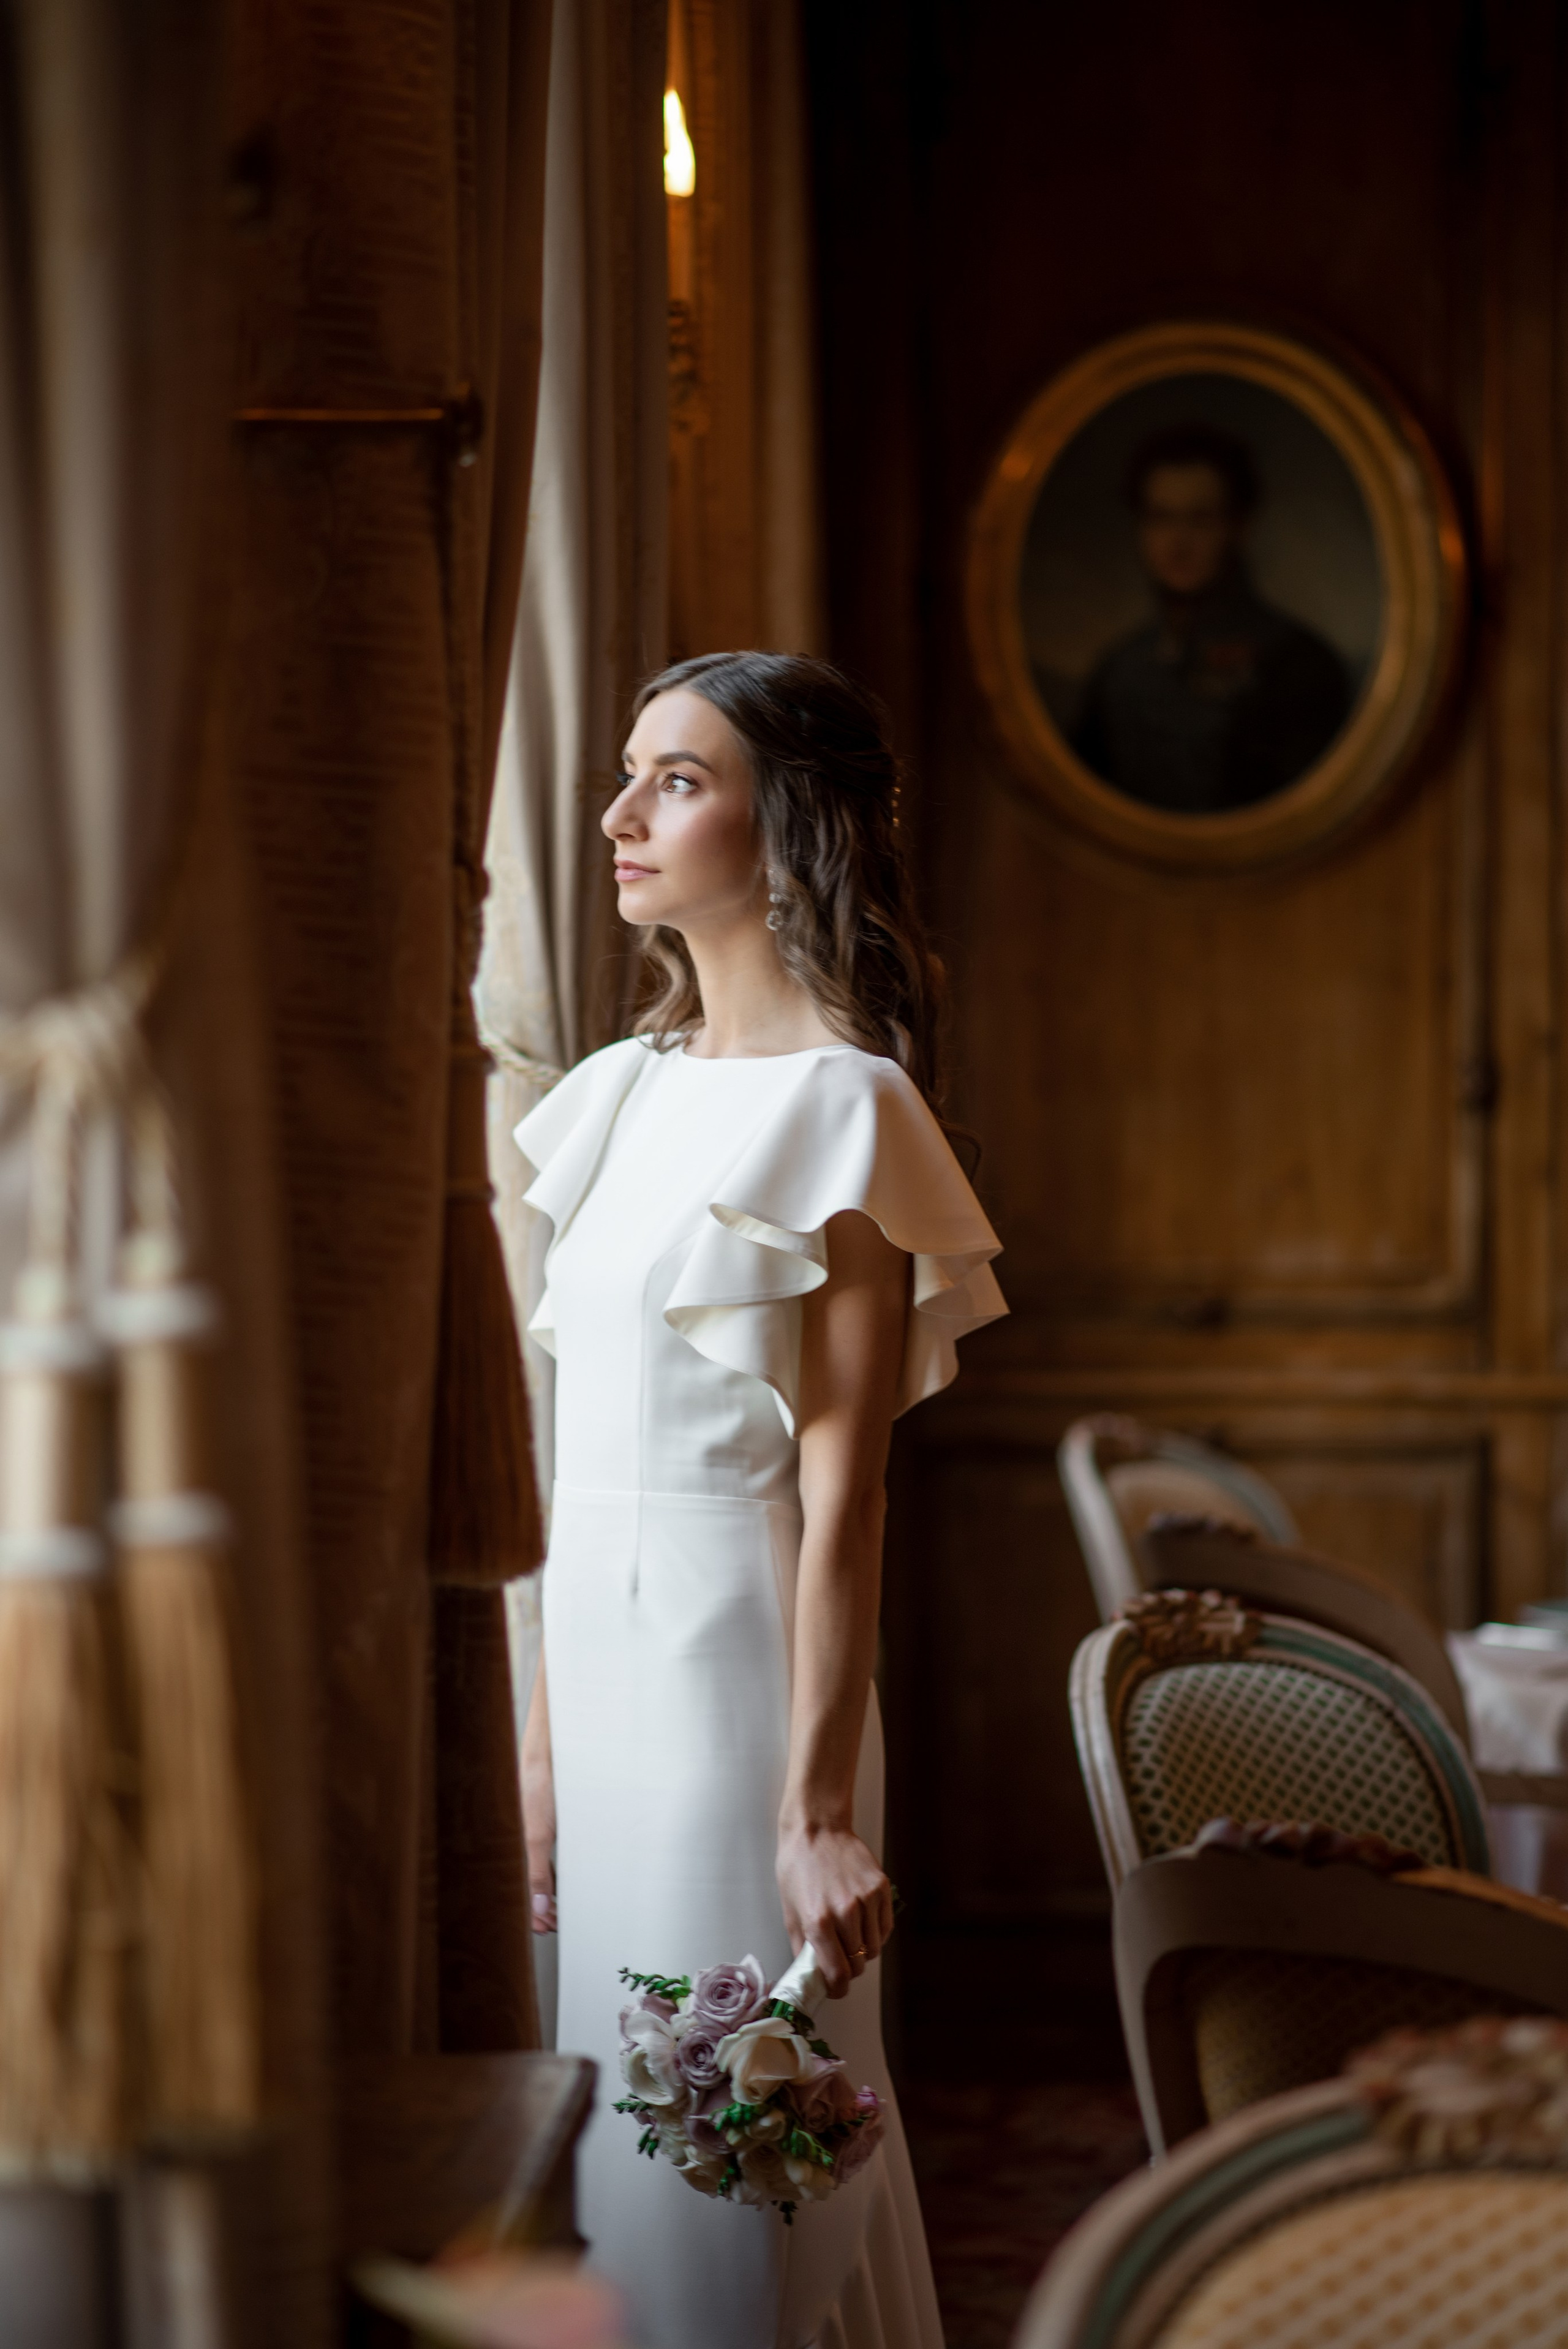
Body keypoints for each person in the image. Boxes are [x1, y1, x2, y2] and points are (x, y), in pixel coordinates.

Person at [514, 652, 1005, 2349]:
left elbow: (845, 1487)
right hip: (598, 1676)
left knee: (737, 2153)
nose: (618, 817)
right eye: (630, 774)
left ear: (786, 826)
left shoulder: (850, 1110)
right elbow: (564, 1464)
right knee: (612, 2157)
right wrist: (536, 1743)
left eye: (677, 780)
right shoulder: (618, 1091)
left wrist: (813, 1809)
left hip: (739, 1693)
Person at [1070, 423, 1351, 813]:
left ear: (1239, 527)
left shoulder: (1300, 665)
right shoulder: (1119, 669)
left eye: (1200, 520)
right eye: (1161, 518)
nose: (1178, 542)